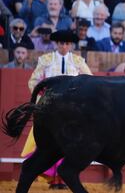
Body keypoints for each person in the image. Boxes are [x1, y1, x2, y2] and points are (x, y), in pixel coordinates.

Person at [24, 30, 92, 189]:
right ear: (56, 43)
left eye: (67, 43)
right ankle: (54, 180)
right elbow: (33, 82)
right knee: (49, 143)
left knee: (69, 144)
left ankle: (62, 179)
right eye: (61, 43)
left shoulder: (78, 61)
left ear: (71, 45)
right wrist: (43, 99)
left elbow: (90, 81)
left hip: (72, 111)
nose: (64, 46)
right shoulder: (45, 60)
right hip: (51, 110)